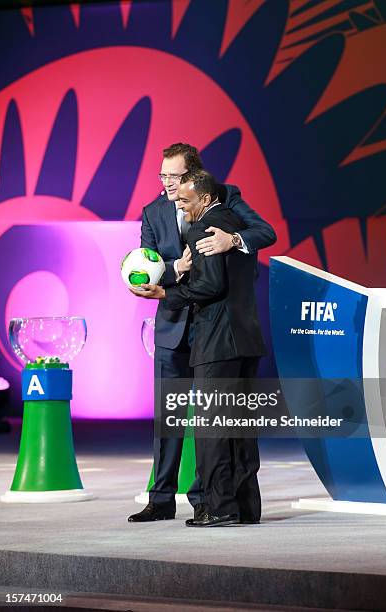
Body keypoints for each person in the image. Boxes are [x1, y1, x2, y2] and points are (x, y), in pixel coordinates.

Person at [128, 143, 276, 523]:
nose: (167, 185)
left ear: (194, 177)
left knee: (215, 420)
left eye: (174, 177)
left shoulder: (225, 198)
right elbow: (146, 263)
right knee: (171, 416)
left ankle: (207, 500)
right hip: (175, 326)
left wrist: (233, 240)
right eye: (162, 177)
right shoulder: (153, 211)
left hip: (215, 328)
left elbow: (262, 231)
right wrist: (171, 269)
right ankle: (161, 498)